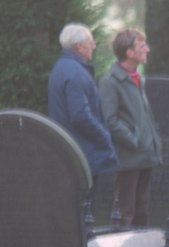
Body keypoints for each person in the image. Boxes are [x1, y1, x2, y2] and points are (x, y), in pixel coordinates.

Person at [48, 24, 119, 203]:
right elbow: (80, 116)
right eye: (90, 43)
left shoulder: (62, 67)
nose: (94, 47)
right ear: (79, 46)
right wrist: (104, 136)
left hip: (73, 150)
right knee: (84, 216)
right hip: (83, 153)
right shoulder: (76, 72)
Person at [98, 28, 163, 227]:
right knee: (124, 213)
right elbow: (111, 120)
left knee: (141, 211)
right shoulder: (110, 82)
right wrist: (134, 141)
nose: (147, 49)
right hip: (129, 157)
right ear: (129, 52)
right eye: (142, 46)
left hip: (145, 155)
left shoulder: (138, 78)